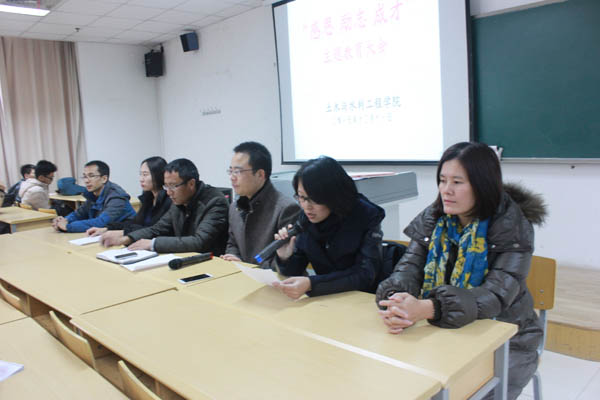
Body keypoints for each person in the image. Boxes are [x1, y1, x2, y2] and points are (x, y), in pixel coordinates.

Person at [375, 142, 547, 400]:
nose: (446, 190)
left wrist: (429, 308)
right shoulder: (434, 219)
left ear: (483, 185)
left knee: (467, 393)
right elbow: (408, 268)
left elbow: (494, 296)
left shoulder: (512, 227)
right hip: (446, 328)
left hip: (508, 337)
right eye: (442, 180)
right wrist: (397, 301)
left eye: (457, 182)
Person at [274, 156, 384, 299]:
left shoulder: (366, 215)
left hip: (365, 298)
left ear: (334, 196)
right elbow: (295, 271)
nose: (307, 206)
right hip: (327, 298)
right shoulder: (305, 220)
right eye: (301, 197)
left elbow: (365, 274)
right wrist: (285, 257)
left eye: (314, 199)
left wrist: (312, 283)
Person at [100, 158, 228, 255]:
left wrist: (153, 244)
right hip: (186, 257)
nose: (168, 192)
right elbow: (157, 229)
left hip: (213, 263)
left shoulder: (215, 201)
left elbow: (199, 242)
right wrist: (127, 238)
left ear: (191, 184)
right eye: (166, 186)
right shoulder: (179, 200)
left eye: (173, 186)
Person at [221, 142, 300, 269]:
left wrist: (248, 267)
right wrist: (234, 257)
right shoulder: (235, 207)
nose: (232, 177)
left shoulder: (286, 208)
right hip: (243, 275)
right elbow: (232, 244)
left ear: (260, 174)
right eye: (231, 171)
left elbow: (290, 262)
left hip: (275, 279)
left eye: (238, 171)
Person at [87, 156, 171, 238]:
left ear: (158, 175)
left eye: (145, 174)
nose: (141, 179)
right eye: (140, 174)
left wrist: (121, 233)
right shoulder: (148, 198)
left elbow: (152, 229)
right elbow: (135, 223)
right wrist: (106, 229)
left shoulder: (168, 200)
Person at [52, 160, 136, 233]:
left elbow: (101, 222)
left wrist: (68, 227)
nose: (86, 181)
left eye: (91, 176)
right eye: (85, 176)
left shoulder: (117, 196)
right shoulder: (92, 194)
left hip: (125, 234)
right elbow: (79, 214)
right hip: (104, 234)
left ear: (104, 179)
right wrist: (64, 220)